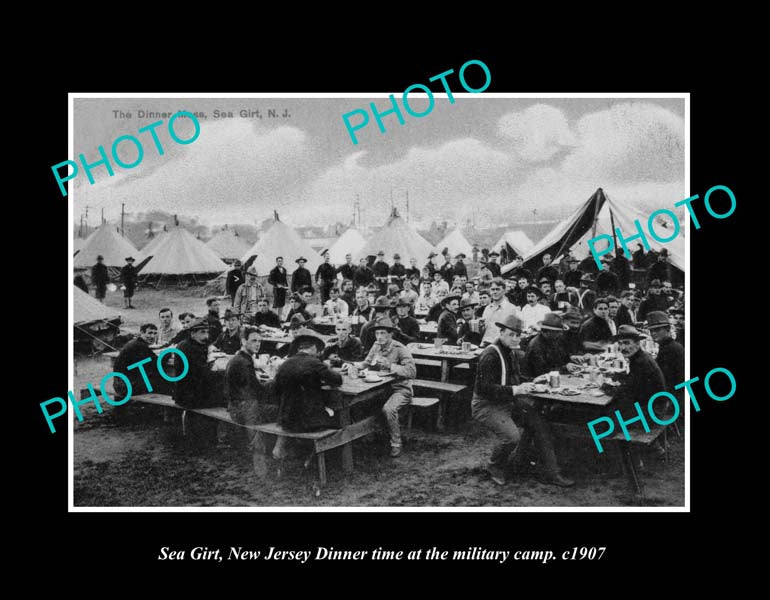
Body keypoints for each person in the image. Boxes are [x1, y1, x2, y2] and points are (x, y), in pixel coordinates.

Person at [472, 314, 574, 487]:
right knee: (511, 437)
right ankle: (494, 466)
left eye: (518, 335)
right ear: (501, 332)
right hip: (486, 405)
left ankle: (552, 473)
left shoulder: (510, 352)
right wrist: (516, 389)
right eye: (511, 334)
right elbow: (484, 389)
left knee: (539, 423)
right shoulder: (490, 355)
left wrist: (533, 381)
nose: (515, 338)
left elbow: (515, 378)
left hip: (507, 401)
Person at [354, 318, 416, 457]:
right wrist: (352, 365)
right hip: (380, 389)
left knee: (389, 409)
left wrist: (390, 366)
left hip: (400, 389)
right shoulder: (376, 345)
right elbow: (366, 363)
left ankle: (396, 443)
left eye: (383, 333)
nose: (379, 337)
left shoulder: (400, 349)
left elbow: (412, 372)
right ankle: (367, 438)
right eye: (377, 333)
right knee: (360, 403)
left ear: (390, 334)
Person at [274, 332, 342, 436]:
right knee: (339, 419)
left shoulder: (285, 364)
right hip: (309, 422)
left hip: (286, 420)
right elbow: (337, 380)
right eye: (318, 350)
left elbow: (276, 387)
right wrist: (326, 367)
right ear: (314, 348)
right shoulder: (315, 363)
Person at [174, 319, 219, 449]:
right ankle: (212, 439)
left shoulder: (183, 344)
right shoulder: (194, 349)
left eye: (207, 332)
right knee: (223, 398)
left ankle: (196, 436)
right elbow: (204, 376)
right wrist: (221, 372)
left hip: (181, 393)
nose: (206, 336)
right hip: (191, 397)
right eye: (202, 332)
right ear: (192, 333)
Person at [604, 325, 666, 416]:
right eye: (620, 343)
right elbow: (634, 381)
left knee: (605, 414)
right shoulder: (639, 356)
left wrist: (605, 386)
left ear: (637, 344)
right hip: (652, 406)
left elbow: (628, 392)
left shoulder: (641, 362)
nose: (623, 348)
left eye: (627, 343)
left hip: (652, 412)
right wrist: (617, 376)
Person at [224, 325, 276, 429]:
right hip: (244, 413)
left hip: (235, 408)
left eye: (259, 341)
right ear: (243, 341)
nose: (258, 344)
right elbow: (258, 391)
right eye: (254, 341)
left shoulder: (238, 358)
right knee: (284, 410)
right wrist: (274, 381)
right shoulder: (244, 363)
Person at [645, 311, 685, 416]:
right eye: (651, 331)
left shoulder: (669, 349)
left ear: (668, 329)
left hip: (673, 399)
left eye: (657, 330)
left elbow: (662, 380)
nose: (653, 334)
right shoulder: (670, 346)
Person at [113, 323, 164, 399]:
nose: (152, 336)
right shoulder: (140, 346)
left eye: (155, 333)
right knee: (164, 382)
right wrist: (168, 353)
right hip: (126, 387)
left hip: (119, 384)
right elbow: (157, 363)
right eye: (149, 333)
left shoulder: (134, 343)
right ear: (142, 333)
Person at [524, 313, 574, 378]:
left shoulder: (554, 340)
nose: (561, 334)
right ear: (548, 332)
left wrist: (572, 358)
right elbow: (541, 372)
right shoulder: (536, 346)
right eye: (558, 332)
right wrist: (564, 368)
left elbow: (561, 358)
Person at [480, 278, 519, 346]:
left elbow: (516, 332)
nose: (495, 292)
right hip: (485, 345)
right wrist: (481, 326)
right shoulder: (488, 308)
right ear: (490, 291)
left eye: (498, 289)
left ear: (504, 291)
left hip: (502, 346)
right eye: (492, 289)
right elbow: (484, 331)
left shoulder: (512, 309)